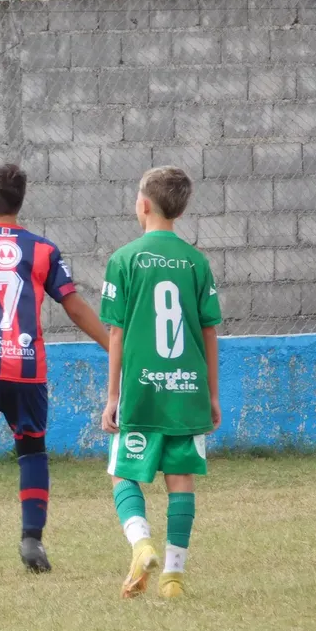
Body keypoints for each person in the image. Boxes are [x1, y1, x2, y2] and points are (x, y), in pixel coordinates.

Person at [0, 164, 109, 580]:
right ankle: (32, 541)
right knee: (31, 450)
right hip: (26, 365)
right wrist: (112, 344)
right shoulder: (44, 250)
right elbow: (74, 305)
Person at [99, 166, 222, 599]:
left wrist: (114, 395)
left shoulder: (124, 259)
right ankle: (173, 577)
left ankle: (141, 543)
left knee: (121, 472)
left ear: (144, 204)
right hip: (187, 388)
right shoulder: (196, 261)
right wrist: (211, 394)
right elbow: (209, 332)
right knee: (181, 477)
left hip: (141, 389)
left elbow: (116, 332)